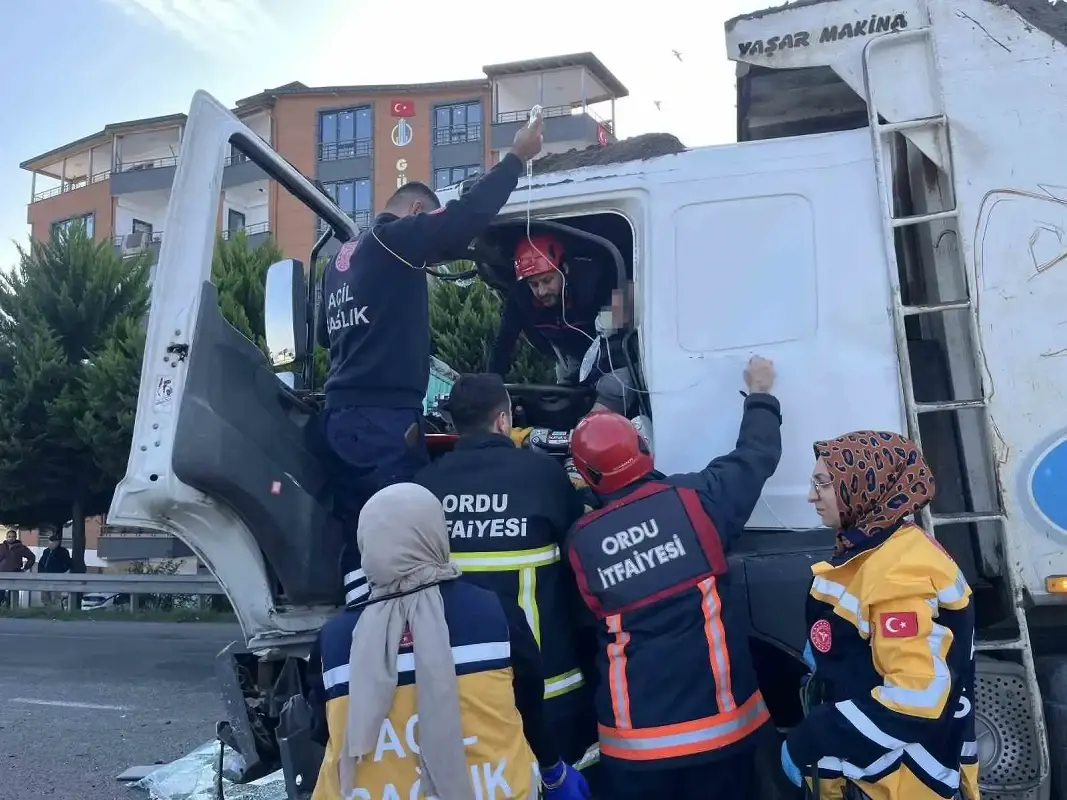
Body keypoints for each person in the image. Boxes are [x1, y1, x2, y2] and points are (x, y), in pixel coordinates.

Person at [315, 119, 543, 603]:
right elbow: (462, 219)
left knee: (361, 536)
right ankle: (402, 632)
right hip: (382, 421)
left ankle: (359, 627)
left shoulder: (340, 262)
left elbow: (322, 335)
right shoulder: (391, 240)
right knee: (401, 538)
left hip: (339, 417)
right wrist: (516, 159)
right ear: (417, 212)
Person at [564, 355, 782, 799]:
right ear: (643, 448)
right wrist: (760, 393)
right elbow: (756, 455)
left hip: (635, 747)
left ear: (587, 477)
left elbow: (587, 619)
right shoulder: (697, 500)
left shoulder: (582, 540)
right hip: (722, 733)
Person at [309, 483, 589, 800]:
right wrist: (553, 771)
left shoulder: (332, 641)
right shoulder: (496, 614)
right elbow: (528, 710)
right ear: (437, 534)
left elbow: (323, 731)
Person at [413, 373, 599, 776]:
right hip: (549, 693)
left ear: (455, 423)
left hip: (462, 695)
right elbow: (583, 554)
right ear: (503, 420)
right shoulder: (543, 476)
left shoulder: (425, 487)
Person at [780, 431, 980, 800]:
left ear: (865, 486)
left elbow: (916, 699)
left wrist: (815, 735)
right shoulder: (884, 547)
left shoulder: (898, 572)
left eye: (823, 483)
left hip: (895, 783)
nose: (811, 495)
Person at [487, 232, 636, 415]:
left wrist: (615, 312)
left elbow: (630, 286)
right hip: (570, 361)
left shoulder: (592, 281)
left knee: (607, 398)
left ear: (564, 269)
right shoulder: (520, 298)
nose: (541, 291)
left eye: (547, 280)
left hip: (614, 358)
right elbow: (503, 343)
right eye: (534, 284)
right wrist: (490, 389)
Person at [0, 530, 35, 607]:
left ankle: (12, 609)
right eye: (9, 536)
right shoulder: (1, 547)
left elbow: (32, 558)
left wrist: (25, 568)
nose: (11, 538)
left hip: (15, 573)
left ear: (16, 537)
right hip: (2, 574)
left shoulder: (21, 548)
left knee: (13, 593)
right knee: (0, 592)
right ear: (6, 537)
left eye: (13, 537)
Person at [37, 532, 72, 607]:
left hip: (56, 578)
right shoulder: (46, 551)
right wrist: (40, 574)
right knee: (45, 597)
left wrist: (60, 571)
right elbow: (41, 563)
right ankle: (47, 609)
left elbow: (68, 563)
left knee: (56, 598)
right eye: (50, 542)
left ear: (57, 542)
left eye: (54, 542)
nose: (51, 544)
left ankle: (56, 610)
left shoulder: (63, 552)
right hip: (44, 577)